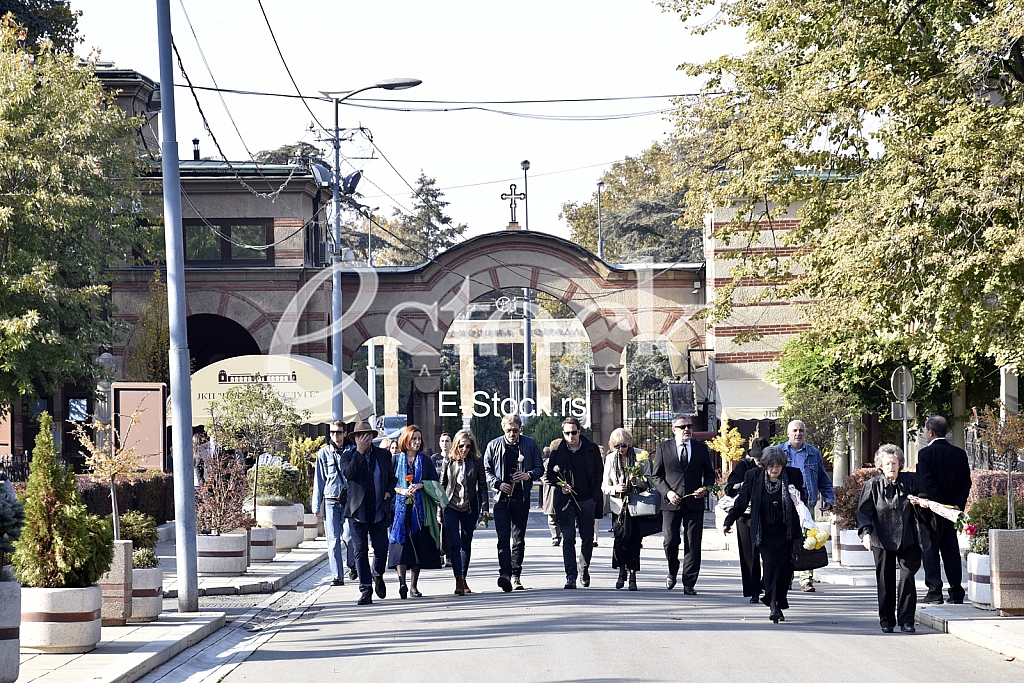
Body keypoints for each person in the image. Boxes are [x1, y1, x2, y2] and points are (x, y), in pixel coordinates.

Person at [723, 446, 805, 623]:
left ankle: (778, 600)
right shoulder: (753, 476)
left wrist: (797, 497)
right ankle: (773, 606)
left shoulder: (793, 475)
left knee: (785, 570)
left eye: (778, 466)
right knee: (770, 566)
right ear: (764, 466)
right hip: (764, 532)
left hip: (786, 531)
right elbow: (742, 500)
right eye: (771, 466)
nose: (774, 470)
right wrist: (729, 520)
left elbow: (802, 500)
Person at [858, 444, 926, 633]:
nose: (891, 467)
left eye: (894, 463)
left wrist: (920, 502)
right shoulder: (872, 485)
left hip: (908, 538)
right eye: (887, 463)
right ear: (880, 465)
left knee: (907, 577)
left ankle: (906, 620)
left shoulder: (911, 481)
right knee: (885, 580)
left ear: (900, 464)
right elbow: (864, 513)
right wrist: (865, 533)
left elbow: (925, 499)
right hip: (882, 538)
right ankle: (887, 621)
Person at [649, 415, 716, 594]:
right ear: (674, 430)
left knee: (693, 543)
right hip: (671, 503)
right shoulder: (664, 448)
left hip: (694, 503)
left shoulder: (701, 448)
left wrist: (705, 488)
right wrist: (668, 492)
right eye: (682, 427)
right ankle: (672, 571)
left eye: (689, 426)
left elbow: (710, 474)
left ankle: (689, 582)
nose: (687, 429)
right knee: (670, 541)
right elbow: (656, 476)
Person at [339, 420, 397, 605]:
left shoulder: (384, 455)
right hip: (358, 511)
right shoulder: (348, 456)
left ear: (372, 436)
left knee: (381, 548)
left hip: (379, 509)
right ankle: (365, 589)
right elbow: (349, 474)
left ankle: (377, 574)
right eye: (359, 436)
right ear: (355, 439)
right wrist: (359, 452)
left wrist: (389, 490)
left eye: (367, 435)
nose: (363, 438)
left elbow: (392, 478)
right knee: (360, 551)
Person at [915, 415, 972, 604]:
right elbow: (965, 482)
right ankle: (956, 592)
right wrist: (956, 505)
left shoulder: (925, 454)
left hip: (932, 511)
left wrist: (938, 505)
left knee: (930, 550)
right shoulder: (959, 453)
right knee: (951, 550)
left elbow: (927, 483)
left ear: (930, 432)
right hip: (953, 512)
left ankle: (934, 591)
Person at [483, 413, 543, 592]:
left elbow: (539, 467)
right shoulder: (493, 445)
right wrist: (498, 484)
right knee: (503, 538)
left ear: (519, 429)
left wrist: (528, 475)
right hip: (501, 499)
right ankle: (505, 574)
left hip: (521, 498)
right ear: (503, 429)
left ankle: (516, 575)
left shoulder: (529, 444)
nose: (512, 434)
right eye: (509, 430)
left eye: (515, 430)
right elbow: (486, 470)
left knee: (518, 540)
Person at [543, 417, 604, 589]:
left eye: (574, 432)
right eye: (567, 433)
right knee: (568, 539)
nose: (571, 436)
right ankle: (570, 576)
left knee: (587, 538)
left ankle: (584, 569)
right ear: (563, 433)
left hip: (587, 500)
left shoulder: (591, 449)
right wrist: (561, 485)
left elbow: (599, 474)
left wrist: (593, 497)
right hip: (566, 501)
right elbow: (550, 475)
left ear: (579, 431)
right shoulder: (558, 451)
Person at [388, 425, 444, 598]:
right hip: (400, 509)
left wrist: (420, 485)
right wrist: (403, 491)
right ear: (406, 440)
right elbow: (389, 485)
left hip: (419, 512)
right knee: (401, 548)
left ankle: (413, 586)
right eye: (414, 438)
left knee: (416, 547)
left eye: (419, 439)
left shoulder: (425, 461)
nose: (417, 442)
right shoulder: (396, 460)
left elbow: (435, 484)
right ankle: (402, 583)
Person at [781, 420, 835, 592]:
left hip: (806, 502)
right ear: (788, 434)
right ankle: (786, 575)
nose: (798, 433)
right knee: (786, 539)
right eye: (795, 430)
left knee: (809, 539)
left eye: (801, 430)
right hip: (785, 502)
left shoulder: (813, 453)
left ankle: (806, 579)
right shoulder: (778, 451)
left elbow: (823, 478)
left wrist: (828, 498)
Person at [601, 428, 657, 591]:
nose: (621, 449)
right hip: (619, 507)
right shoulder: (610, 459)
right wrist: (615, 488)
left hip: (637, 505)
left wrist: (635, 481)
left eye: (623, 445)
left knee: (634, 541)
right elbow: (604, 486)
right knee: (620, 541)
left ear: (629, 442)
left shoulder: (641, 456)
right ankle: (621, 571)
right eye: (617, 446)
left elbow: (649, 481)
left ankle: (633, 575)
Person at [439, 429, 489, 596]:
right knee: (454, 543)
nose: (464, 449)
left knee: (466, 543)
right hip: (450, 506)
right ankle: (458, 579)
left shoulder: (476, 461)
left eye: (468, 446)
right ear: (456, 445)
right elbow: (441, 486)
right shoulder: (449, 461)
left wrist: (485, 508)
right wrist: (440, 509)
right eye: (461, 446)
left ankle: (464, 576)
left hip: (469, 507)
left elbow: (482, 486)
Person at [726, 437, 768, 602]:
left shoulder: (774, 466)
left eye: (762, 458)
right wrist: (745, 484)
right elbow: (730, 488)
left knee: (769, 553)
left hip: (766, 515)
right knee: (749, 555)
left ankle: (766, 582)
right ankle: (753, 590)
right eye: (756, 458)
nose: (759, 461)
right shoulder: (744, 465)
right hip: (745, 515)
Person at [312, 420, 351, 586]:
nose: (336, 435)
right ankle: (337, 575)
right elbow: (319, 480)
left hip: (349, 500)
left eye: (339, 432)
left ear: (345, 433)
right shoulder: (323, 454)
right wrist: (316, 505)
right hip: (330, 500)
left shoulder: (352, 451)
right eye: (333, 432)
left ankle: (352, 564)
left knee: (350, 537)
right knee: (333, 540)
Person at [542, 442, 562, 546]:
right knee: (552, 517)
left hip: (564, 492)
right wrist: (559, 483)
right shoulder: (547, 462)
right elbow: (545, 477)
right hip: (551, 492)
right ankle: (555, 537)